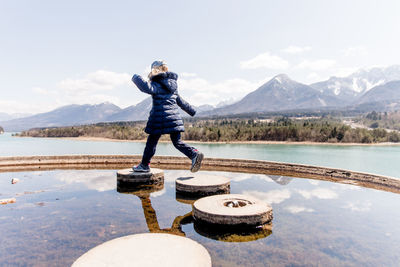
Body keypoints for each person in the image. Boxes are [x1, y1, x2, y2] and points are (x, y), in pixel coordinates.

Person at [131, 60, 204, 173]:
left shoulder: (156, 84)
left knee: (151, 142)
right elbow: (181, 102)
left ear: (155, 70)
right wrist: (192, 111)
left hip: (159, 118)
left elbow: (146, 87)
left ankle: (144, 165)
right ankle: (194, 153)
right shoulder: (173, 87)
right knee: (177, 142)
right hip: (173, 119)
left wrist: (135, 77)